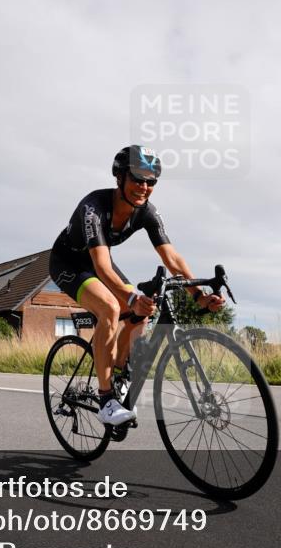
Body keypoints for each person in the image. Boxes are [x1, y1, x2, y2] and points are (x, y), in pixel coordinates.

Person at [49, 145, 225, 425]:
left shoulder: (147, 212)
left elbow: (172, 258)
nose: (144, 187)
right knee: (110, 307)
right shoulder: (94, 208)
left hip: (100, 262)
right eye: (137, 178)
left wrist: (198, 295)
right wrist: (130, 298)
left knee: (142, 311)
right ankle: (106, 400)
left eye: (151, 181)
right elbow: (102, 267)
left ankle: (118, 374)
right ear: (119, 177)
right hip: (69, 264)